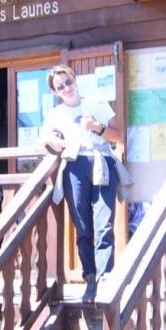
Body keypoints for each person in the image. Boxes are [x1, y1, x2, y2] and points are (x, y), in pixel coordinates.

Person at [38, 65, 128, 304]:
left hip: (102, 162)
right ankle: (90, 278)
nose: (66, 88)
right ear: (55, 92)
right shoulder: (56, 114)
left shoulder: (96, 102)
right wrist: (51, 139)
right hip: (75, 166)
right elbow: (43, 136)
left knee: (104, 224)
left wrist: (97, 127)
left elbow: (118, 135)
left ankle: (105, 278)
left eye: (67, 82)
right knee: (83, 226)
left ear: (74, 80)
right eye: (60, 86)